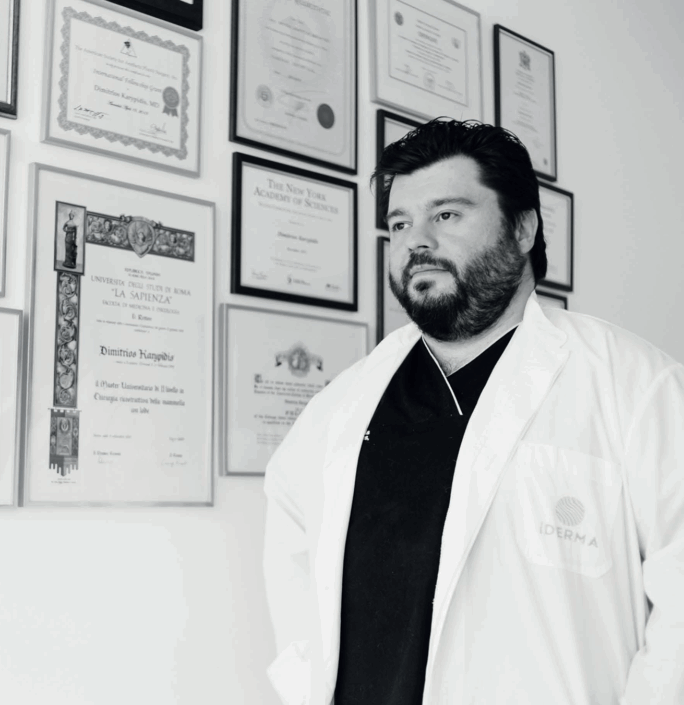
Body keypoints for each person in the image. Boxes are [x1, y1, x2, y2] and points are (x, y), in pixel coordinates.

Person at [262, 119, 684, 705]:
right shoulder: (342, 404)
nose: (416, 241)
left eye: (446, 215)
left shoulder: (635, 385)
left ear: (523, 228)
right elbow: (291, 557)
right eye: (399, 224)